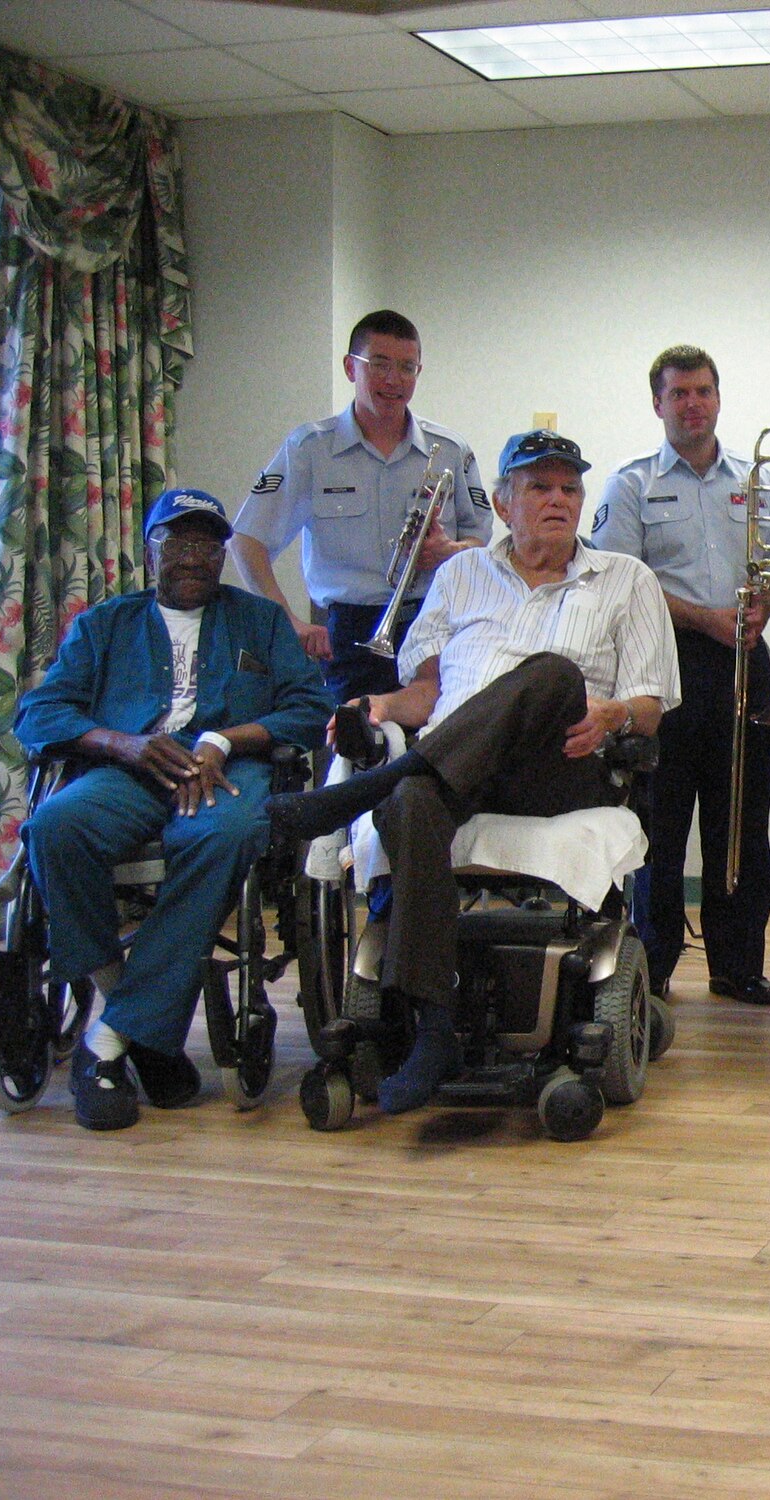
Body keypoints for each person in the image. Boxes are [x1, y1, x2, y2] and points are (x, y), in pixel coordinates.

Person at [267, 431, 679, 1115]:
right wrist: (376, 706)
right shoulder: (459, 576)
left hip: (562, 769)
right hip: (460, 768)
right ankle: (433, 1028)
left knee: (551, 673)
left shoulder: (625, 579)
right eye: (540, 487)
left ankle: (366, 789)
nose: (558, 500)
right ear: (502, 502)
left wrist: (610, 716)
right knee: (411, 804)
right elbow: (425, 694)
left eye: (569, 489)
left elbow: (651, 708)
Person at [14, 489, 331, 1131]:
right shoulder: (105, 624)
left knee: (229, 833)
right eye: (176, 542)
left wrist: (223, 739)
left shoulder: (260, 621)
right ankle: (138, 1022)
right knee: (54, 824)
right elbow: (39, 713)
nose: (191, 556)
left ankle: (105, 1047)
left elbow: (308, 706)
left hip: (226, 769)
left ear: (221, 555)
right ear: (150, 548)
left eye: (206, 544)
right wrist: (119, 742)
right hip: (129, 768)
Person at [593, 345, 770, 1007]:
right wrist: (706, 620)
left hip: (745, 660)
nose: (693, 404)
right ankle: (651, 965)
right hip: (664, 661)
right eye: (679, 393)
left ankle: (737, 965)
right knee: (661, 823)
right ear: (659, 403)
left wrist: (764, 605)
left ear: (717, 397)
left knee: (741, 820)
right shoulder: (632, 484)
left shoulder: (757, 477)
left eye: (703, 391)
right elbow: (622, 581)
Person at [230, 309, 492, 703]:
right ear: (351, 368)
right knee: (356, 748)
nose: (393, 380)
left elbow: (480, 542)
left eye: (407, 367)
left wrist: (449, 552)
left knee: (443, 745)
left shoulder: (450, 451)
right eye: (380, 365)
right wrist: (288, 621)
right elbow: (246, 540)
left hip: (437, 620)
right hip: (348, 630)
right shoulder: (310, 449)